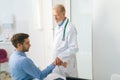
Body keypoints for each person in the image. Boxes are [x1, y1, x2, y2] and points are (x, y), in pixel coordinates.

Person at [52, 4, 79, 77]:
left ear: (63, 14)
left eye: (56, 15)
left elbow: (74, 47)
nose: (55, 18)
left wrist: (61, 57)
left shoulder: (70, 28)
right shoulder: (57, 27)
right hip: (57, 63)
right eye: (54, 16)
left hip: (66, 63)